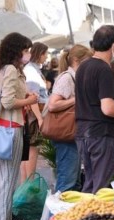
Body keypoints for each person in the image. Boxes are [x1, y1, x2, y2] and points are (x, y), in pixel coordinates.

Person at [75, 25, 114, 193]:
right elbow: (108, 108)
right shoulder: (103, 69)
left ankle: (83, 217)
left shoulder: (83, 67)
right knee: (100, 188)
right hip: (102, 135)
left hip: (84, 134)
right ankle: (94, 217)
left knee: (90, 183)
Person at [0, 32, 38, 220]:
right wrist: (29, 100)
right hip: (10, 130)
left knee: (6, 181)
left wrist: (25, 96)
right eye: (26, 49)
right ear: (16, 50)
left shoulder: (4, 68)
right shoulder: (11, 69)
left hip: (7, 129)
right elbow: (8, 101)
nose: (28, 53)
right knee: (7, 182)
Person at [48, 44, 92, 193]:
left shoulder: (75, 77)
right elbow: (53, 105)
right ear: (75, 60)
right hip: (66, 136)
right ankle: (59, 213)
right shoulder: (67, 78)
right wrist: (76, 99)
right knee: (67, 180)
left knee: (73, 180)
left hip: (73, 134)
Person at [21, 42, 49, 183]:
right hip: (34, 114)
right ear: (40, 53)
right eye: (45, 54)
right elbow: (33, 98)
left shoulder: (33, 69)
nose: (46, 57)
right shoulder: (31, 70)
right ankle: (28, 183)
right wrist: (39, 118)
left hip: (31, 114)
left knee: (28, 151)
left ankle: (25, 184)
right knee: (32, 150)